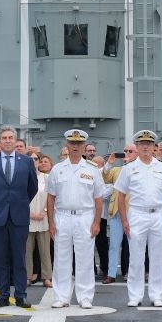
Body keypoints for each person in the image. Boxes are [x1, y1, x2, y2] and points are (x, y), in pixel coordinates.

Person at [115, 130, 162, 307]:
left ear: (154, 147)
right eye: (142, 144)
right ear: (137, 146)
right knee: (136, 257)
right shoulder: (128, 168)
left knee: (158, 257)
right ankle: (135, 295)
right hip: (137, 214)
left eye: (149, 144)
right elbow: (120, 195)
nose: (145, 147)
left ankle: (157, 295)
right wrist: (124, 220)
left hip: (158, 214)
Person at [0, 127, 39, 309]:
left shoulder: (26, 161)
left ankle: (21, 295)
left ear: (15, 140)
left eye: (10, 138)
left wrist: (19, 202)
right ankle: (3, 295)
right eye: (4, 138)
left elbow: (33, 187)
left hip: (19, 216)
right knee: (0, 258)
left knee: (19, 258)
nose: (7, 141)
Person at [44, 130, 103, 309]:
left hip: (85, 217)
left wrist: (97, 222)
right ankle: (61, 297)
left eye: (79, 144)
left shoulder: (92, 170)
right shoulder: (57, 169)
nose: (75, 146)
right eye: (72, 143)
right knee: (61, 258)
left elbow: (98, 199)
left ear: (84, 147)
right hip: (62, 217)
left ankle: (85, 297)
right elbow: (50, 198)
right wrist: (51, 222)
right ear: (67, 146)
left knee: (85, 258)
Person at [103, 145, 136, 283]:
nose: (127, 153)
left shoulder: (140, 169)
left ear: (137, 153)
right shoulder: (117, 170)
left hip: (134, 212)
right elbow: (105, 177)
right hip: (117, 211)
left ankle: (132, 273)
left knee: (134, 245)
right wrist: (110, 163)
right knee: (114, 244)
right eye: (125, 151)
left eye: (130, 151)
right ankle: (111, 274)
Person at [27, 153, 52, 288]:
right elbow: (19, 197)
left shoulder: (46, 178)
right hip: (27, 217)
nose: (33, 161)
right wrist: (28, 213)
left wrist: (45, 211)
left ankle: (46, 277)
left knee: (45, 249)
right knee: (27, 249)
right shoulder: (23, 177)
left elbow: (52, 198)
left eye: (36, 159)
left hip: (43, 217)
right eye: (30, 159)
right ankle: (27, 276)